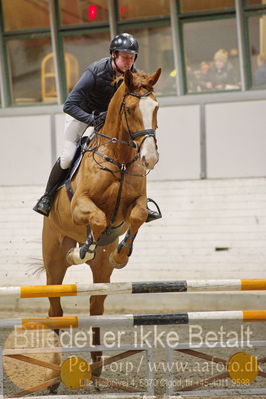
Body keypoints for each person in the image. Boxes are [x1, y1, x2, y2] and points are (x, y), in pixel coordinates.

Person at [33, 33, 161, 223]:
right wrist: (92, 119)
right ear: (113, 55)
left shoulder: (132, 76)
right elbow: (69, 104)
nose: (129, 61)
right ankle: (47, 196)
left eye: (132, 57)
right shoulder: (95, 71)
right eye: (125, 57)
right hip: (81, 114)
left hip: (105, 120)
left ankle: (140, 201)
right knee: (68, 156)